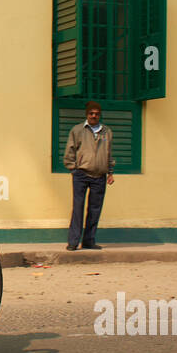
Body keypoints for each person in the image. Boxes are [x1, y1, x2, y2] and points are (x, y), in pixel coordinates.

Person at [63, 101, 113, 250]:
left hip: (100, 176)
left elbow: (109, 153)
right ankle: (73, 242)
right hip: (81, 174)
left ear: (100, 115)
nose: (94, 116)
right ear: (87, 114)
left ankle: (89, 241)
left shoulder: (106, 132)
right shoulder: (77, 130)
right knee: (78, 208)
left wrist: (110, 172)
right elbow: (69, 152)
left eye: (97, 114)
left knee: (95, 209)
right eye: (91, 113)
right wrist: (73, 169)